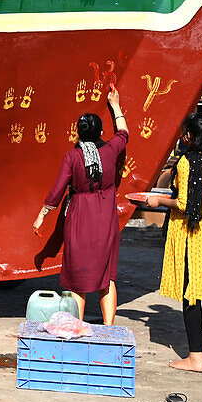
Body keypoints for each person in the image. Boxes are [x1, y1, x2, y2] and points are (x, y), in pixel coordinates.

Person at [33, 86, 128, 324]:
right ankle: (108, 328)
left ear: (78, 133)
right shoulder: (111, 149)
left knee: (79, 276)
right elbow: (124, 133)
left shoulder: (72, 156)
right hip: (106, 213)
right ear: (101, 131)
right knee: (107, 277)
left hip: (80, 215)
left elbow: (57, 190)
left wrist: (42, 214)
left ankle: (77, 326)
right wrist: (115, 104)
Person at [146, 113, 202, 372]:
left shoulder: (186, 163)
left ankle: (194, 358)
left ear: (192, 137)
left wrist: (158, 201)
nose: (182, 138)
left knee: (191, 293)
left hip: (195, 234)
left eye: (185, 134)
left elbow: (184, 204)